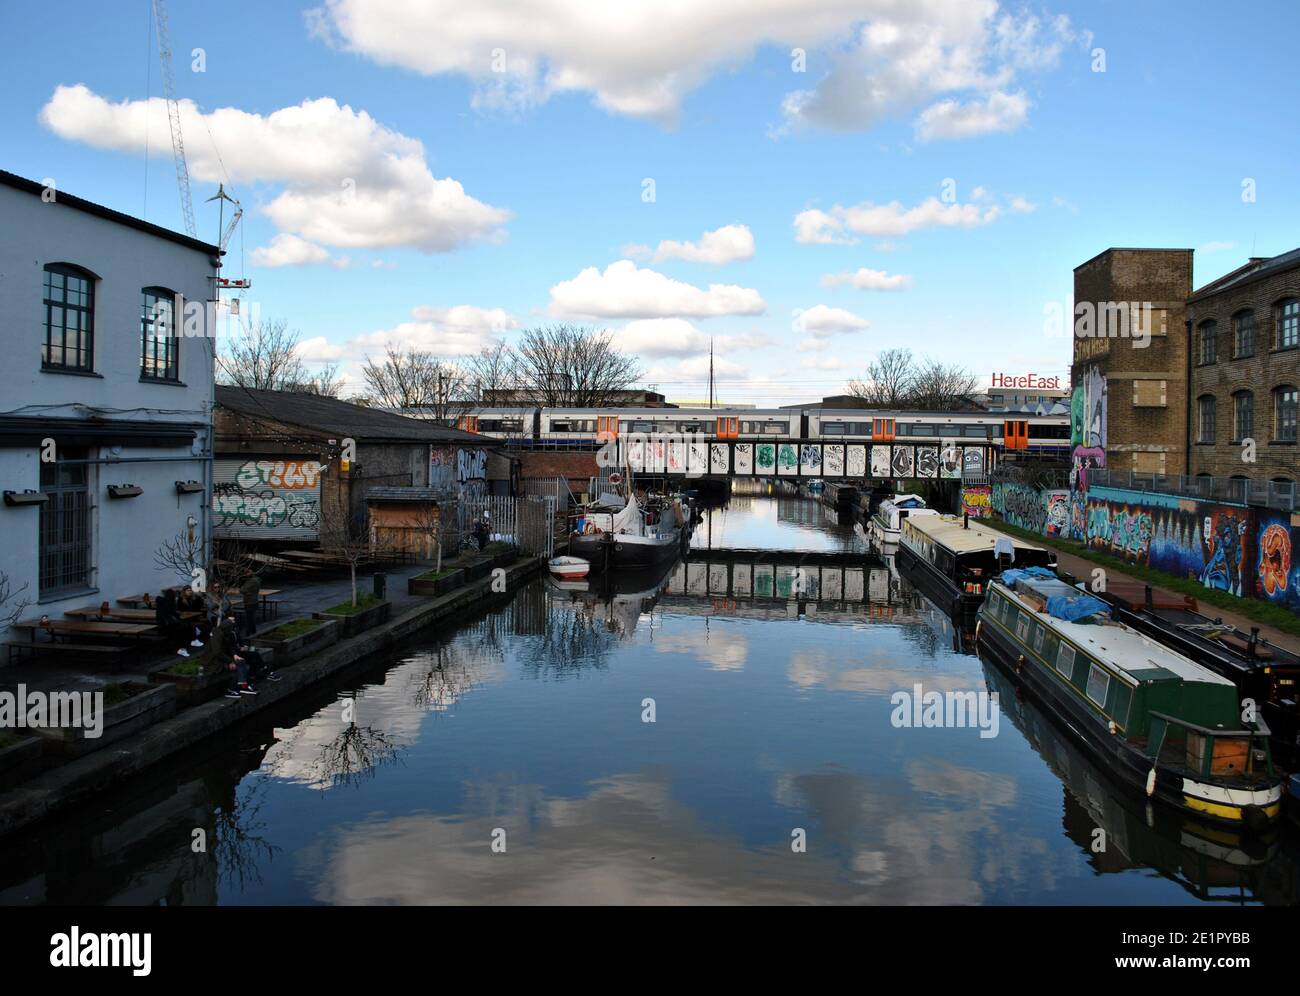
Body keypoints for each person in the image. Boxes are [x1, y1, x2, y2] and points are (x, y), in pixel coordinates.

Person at [216, 613, 257, 698]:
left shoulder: (227, 633)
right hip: (215, 661)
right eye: (232, 622)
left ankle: (244, 685)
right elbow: (217, 653)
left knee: (243, 660)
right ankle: (235, 688)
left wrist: (234, 655)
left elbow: (230, 646)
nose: (234, 625)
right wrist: (230, 661)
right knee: (241, 663)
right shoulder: (218, 636)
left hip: (225, 657)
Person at [239, 571, 261, 638]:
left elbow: (242, 590)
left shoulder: (251, 581)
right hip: (254, 600)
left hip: (250, 601)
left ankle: (248, 632)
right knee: (251, 617)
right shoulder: (256, 580)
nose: (245, 574)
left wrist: (242, 587)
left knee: (249, 618)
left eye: (247, 573)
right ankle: (253, 631)